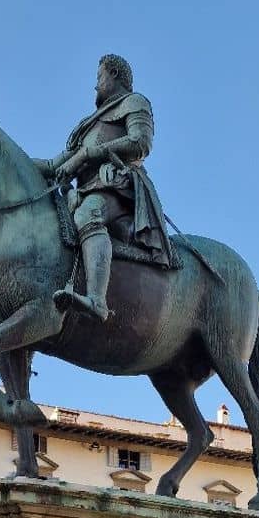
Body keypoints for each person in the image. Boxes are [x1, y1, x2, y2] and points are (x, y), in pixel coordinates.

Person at [34, 54, 177, 322]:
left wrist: (91, 154)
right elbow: (55, 165)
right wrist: (15, 160)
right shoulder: (88, 124)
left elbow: (140, 143)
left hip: (119, 189)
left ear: (114, 75)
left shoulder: (134, 102)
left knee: (88, 214)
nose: (95, 85)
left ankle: (97, 300)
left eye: (99, 77)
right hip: (85, 191)